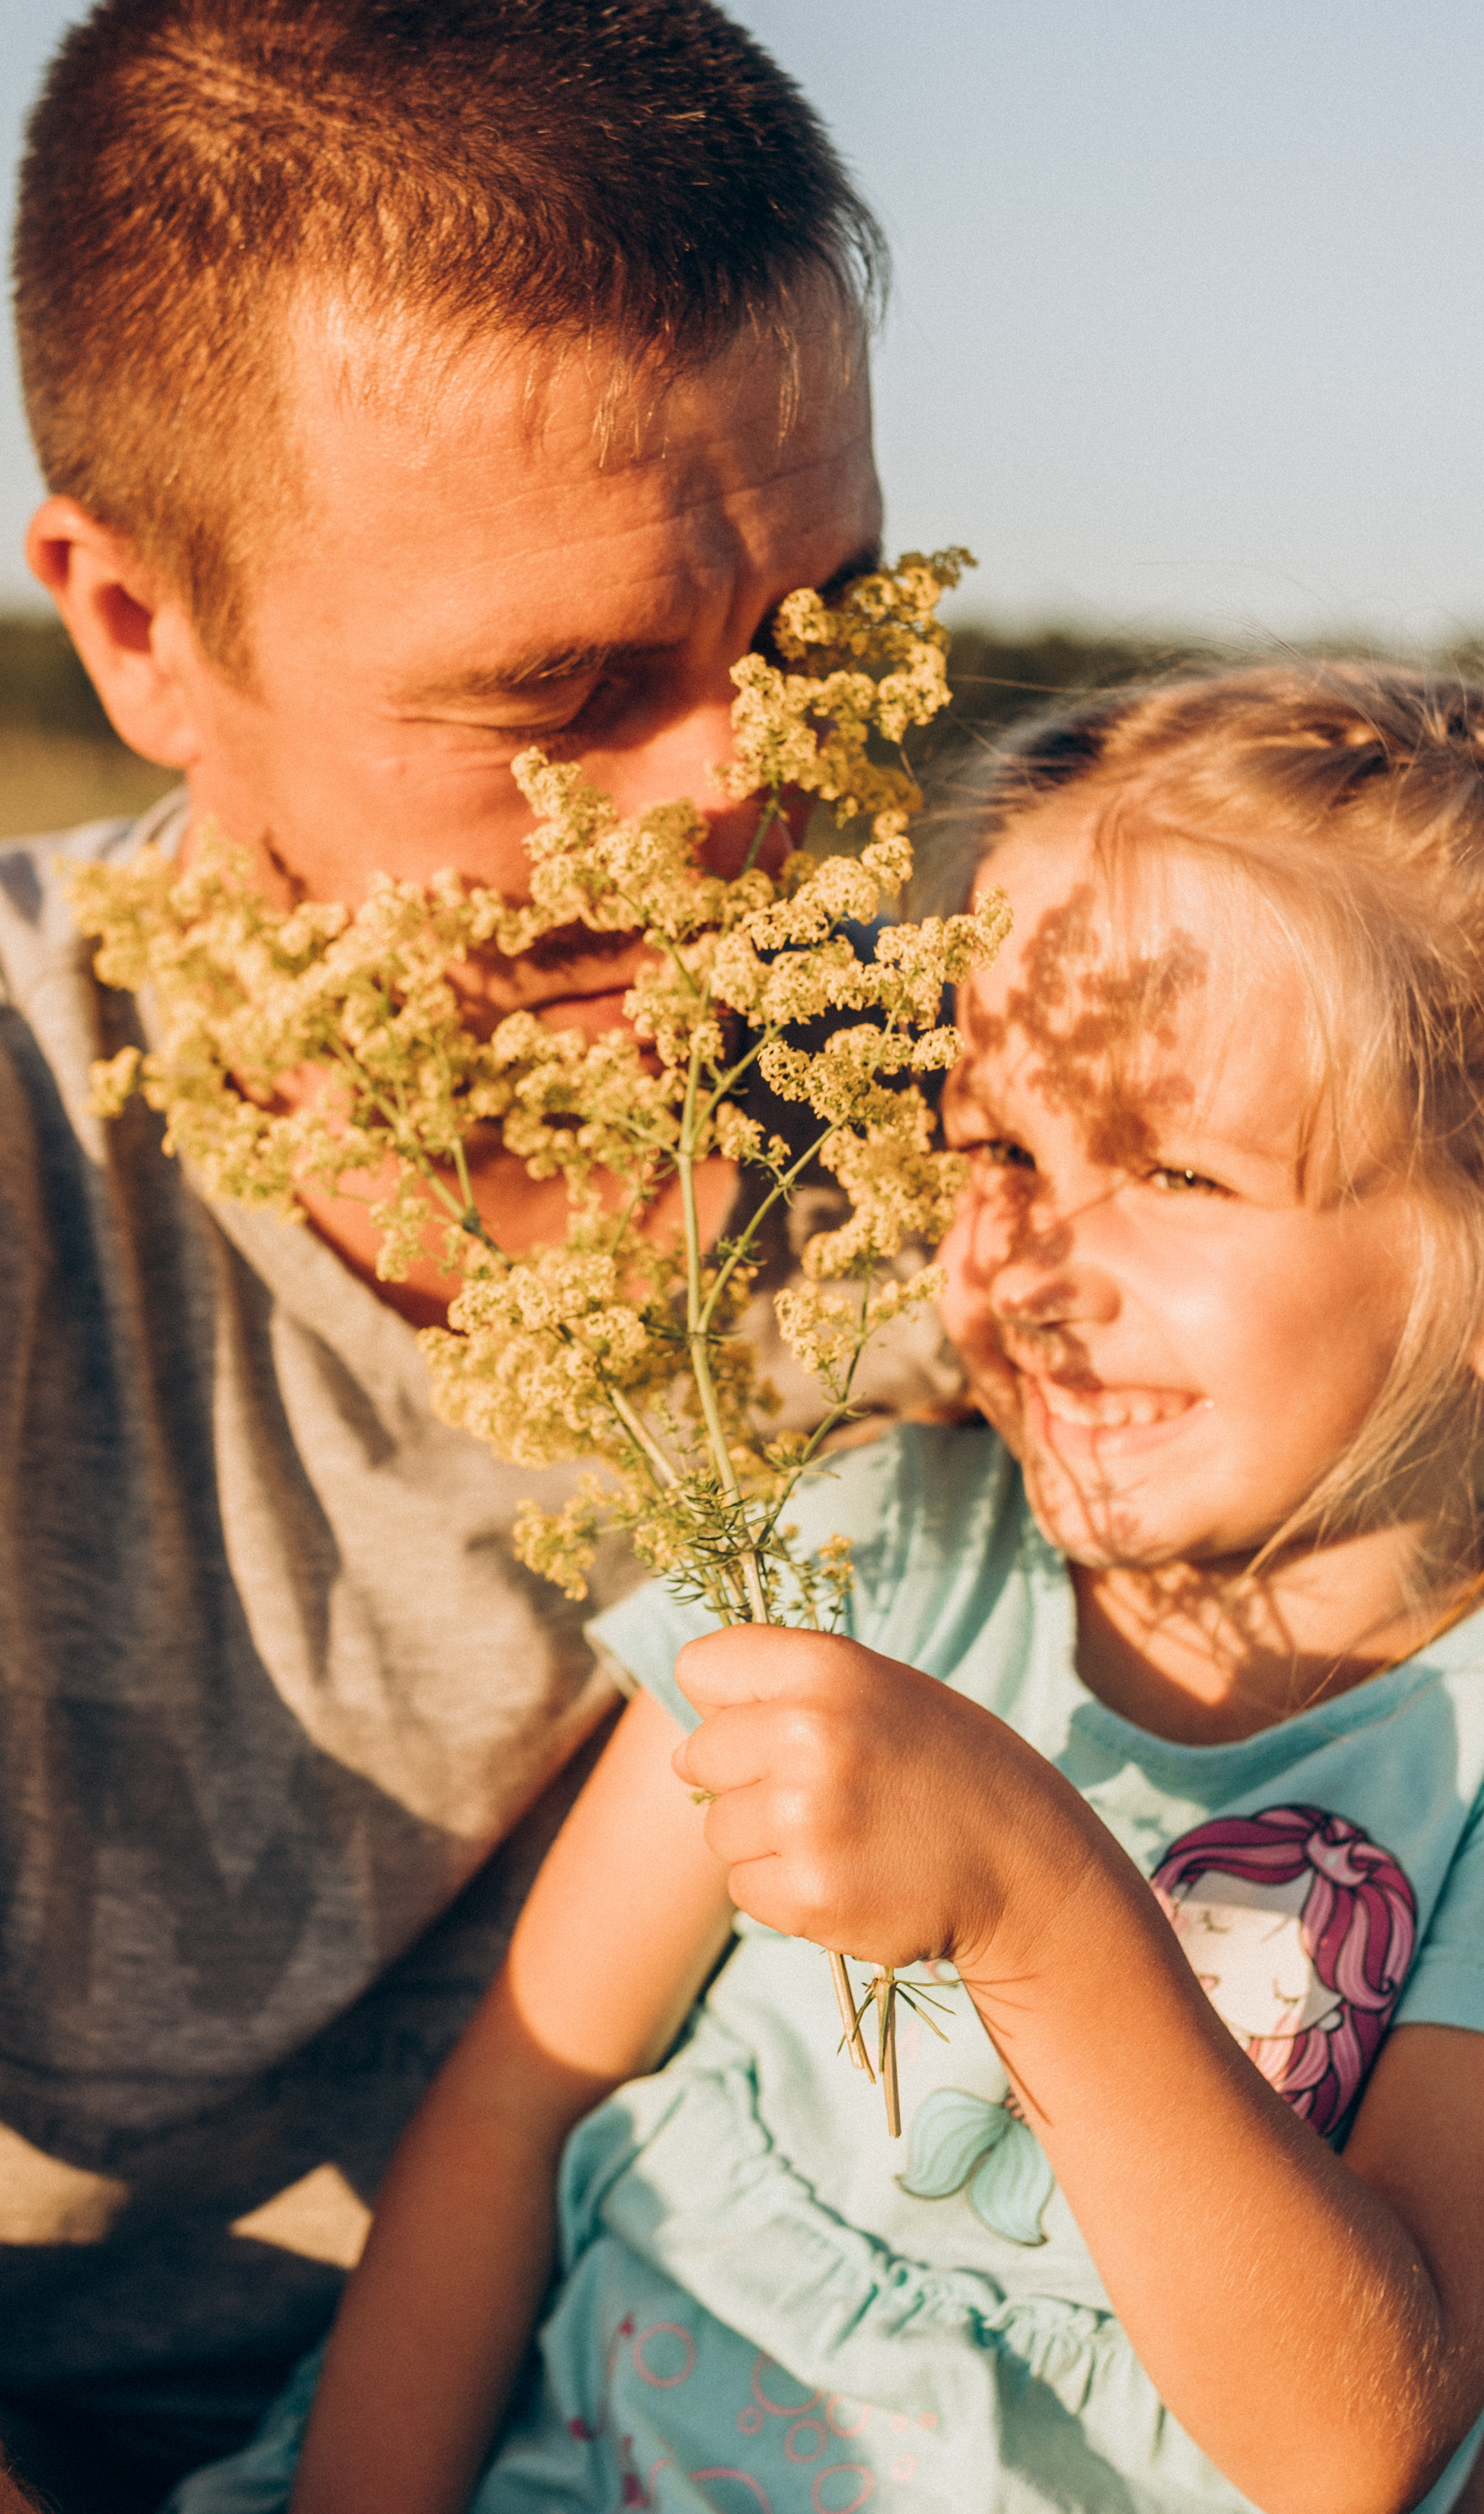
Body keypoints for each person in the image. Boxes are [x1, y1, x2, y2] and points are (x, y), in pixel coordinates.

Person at [164, 665, 1484, 2514]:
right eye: (996, 1147)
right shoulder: (876, 1548)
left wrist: (1034, 1899)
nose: (1033, 1262)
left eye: (1177, 1172)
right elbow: (521, 2094)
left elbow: (1359, 2439)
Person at [0, 5, 947, 2504]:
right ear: (137, 630)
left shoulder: (1022, 1113)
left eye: (820, 633)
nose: (742, 795)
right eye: (565, 694)